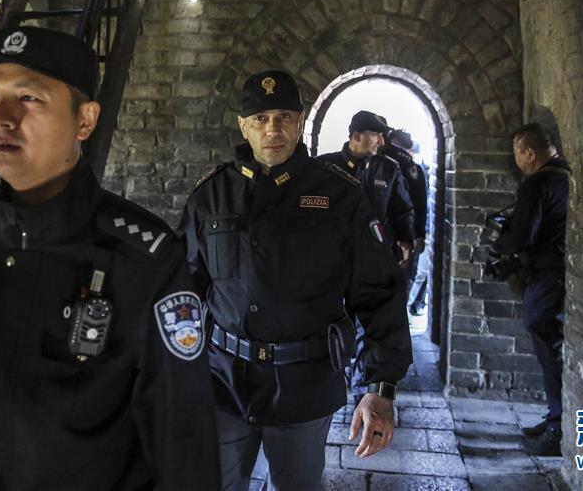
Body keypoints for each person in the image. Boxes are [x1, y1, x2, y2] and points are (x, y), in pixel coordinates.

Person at [0, 26, 220, 491]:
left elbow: (185, 449)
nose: (1, 118)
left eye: (28, 98)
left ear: (85, 121)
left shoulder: (144, 262)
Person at [179, 70, 412, 491]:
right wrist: (168, 375)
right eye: (261, 118)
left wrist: (380, 386)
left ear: (300, 122)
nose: (273, 129)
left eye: (284, 117)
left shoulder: (340, 195)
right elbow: (182, 294)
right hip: (223, 379)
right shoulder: (211, 196)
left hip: (305, 381)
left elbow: (379, 292)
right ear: (243, 126)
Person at [494, 123, 570, 457]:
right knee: (552, 346)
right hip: (560, 271)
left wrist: (501, 243)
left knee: (548, 345)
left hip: (545, 273)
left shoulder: (537, 183)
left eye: (517, 153)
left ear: (529, 153)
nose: (516, 160)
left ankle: (557, 427)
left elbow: (522, 235)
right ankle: (555, 417)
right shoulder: (565, 176)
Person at [317, 111, 415, 266]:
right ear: (357, 136)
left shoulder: (389, 170)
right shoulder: (323, 166)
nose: (382, 141)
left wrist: (406, 239)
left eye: (382, 135)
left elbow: (402, 210)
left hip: (375, 258)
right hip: (333, 259)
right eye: (376, 135)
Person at [380, 129, 429, 315]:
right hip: (404, 236)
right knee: (400, 285)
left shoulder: (379, 164)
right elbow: (420, 205)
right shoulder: (412, 168)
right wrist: (419, 235)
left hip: (384, 236)